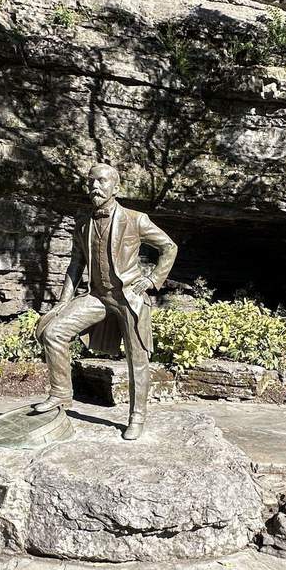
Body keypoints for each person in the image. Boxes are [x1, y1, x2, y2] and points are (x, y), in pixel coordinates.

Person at [34, 163, 178, 440]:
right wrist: (63, 301)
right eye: (90, 182)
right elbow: (76, 264)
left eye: (101, 181)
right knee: (52, 332)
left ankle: (137, 417)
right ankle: (60, 395)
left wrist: (151, 279)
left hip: (129, 298)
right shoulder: (85, 223)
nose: (95, 187)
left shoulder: (136, 219)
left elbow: (169, 247)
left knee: (137, 359)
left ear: (116, 187)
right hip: (97, 297)